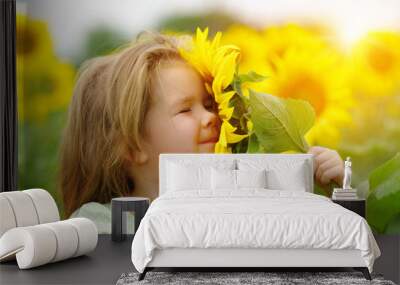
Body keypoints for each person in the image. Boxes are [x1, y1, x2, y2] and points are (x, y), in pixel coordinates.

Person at [58, 32, 344, 233]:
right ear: (131, 147)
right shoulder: (99, 223)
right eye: (185, 110)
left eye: (209, 104)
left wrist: (331, 187)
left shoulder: (235, 194)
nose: (210, 116)